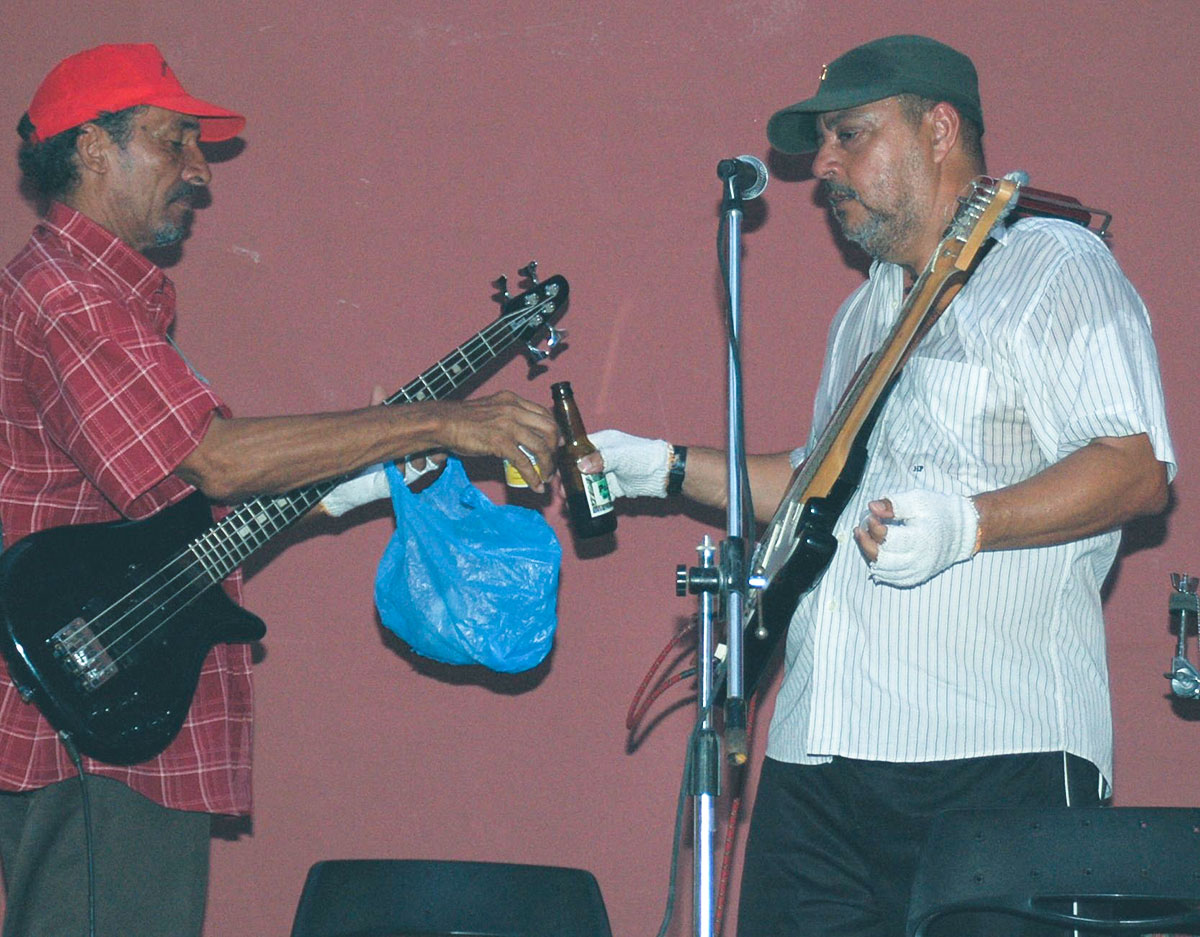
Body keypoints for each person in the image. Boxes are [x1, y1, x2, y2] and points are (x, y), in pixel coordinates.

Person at [584, 34, 1176, 937]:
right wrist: (659, 464)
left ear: (939, 129)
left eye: (849, 135)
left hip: (992, 754)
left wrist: (967, 524)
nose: (823, 166)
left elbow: (1136, 468)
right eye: (823, 143)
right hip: (817, 756)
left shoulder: (1056, 266)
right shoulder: (865, 310)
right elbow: (814, 489)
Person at [0, 43, 558, 937]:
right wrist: (441, 421)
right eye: (175, 140)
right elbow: (218, 461)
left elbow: (185, 497)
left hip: (117, 706)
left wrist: (370, 468)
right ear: (94, 148)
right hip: (90, 732)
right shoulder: (72, 299)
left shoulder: (97, 297)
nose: (199, 170)